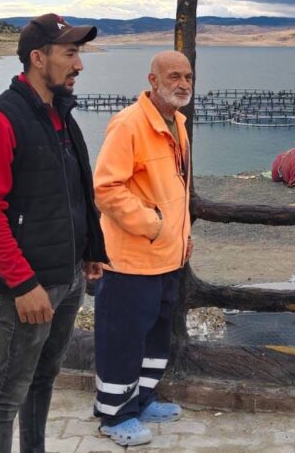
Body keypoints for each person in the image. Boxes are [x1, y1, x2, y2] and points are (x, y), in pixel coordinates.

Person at [0, 13, 108, 453]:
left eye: (79, 53)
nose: (79, 64)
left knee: (44, 379)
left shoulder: (61, 117)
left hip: (67, 279)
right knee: (8, 391)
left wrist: (90, 253)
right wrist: (23, 284)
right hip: (28, 288)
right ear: (37, 58)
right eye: (70, 53)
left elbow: (77, 193)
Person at [92, 50, 194, 447]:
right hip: (131, 259)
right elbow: (106, 188)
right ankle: (114, 416)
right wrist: (152, 226)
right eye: (173, 76)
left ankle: (142, 398)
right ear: (152, 80)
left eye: (187, 76)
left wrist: (181, 235)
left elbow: (173, 189)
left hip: (168, 257)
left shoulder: (177, 123)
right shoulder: (130, 124)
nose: (182, 83)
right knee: (122, 338)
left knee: (154, 336)